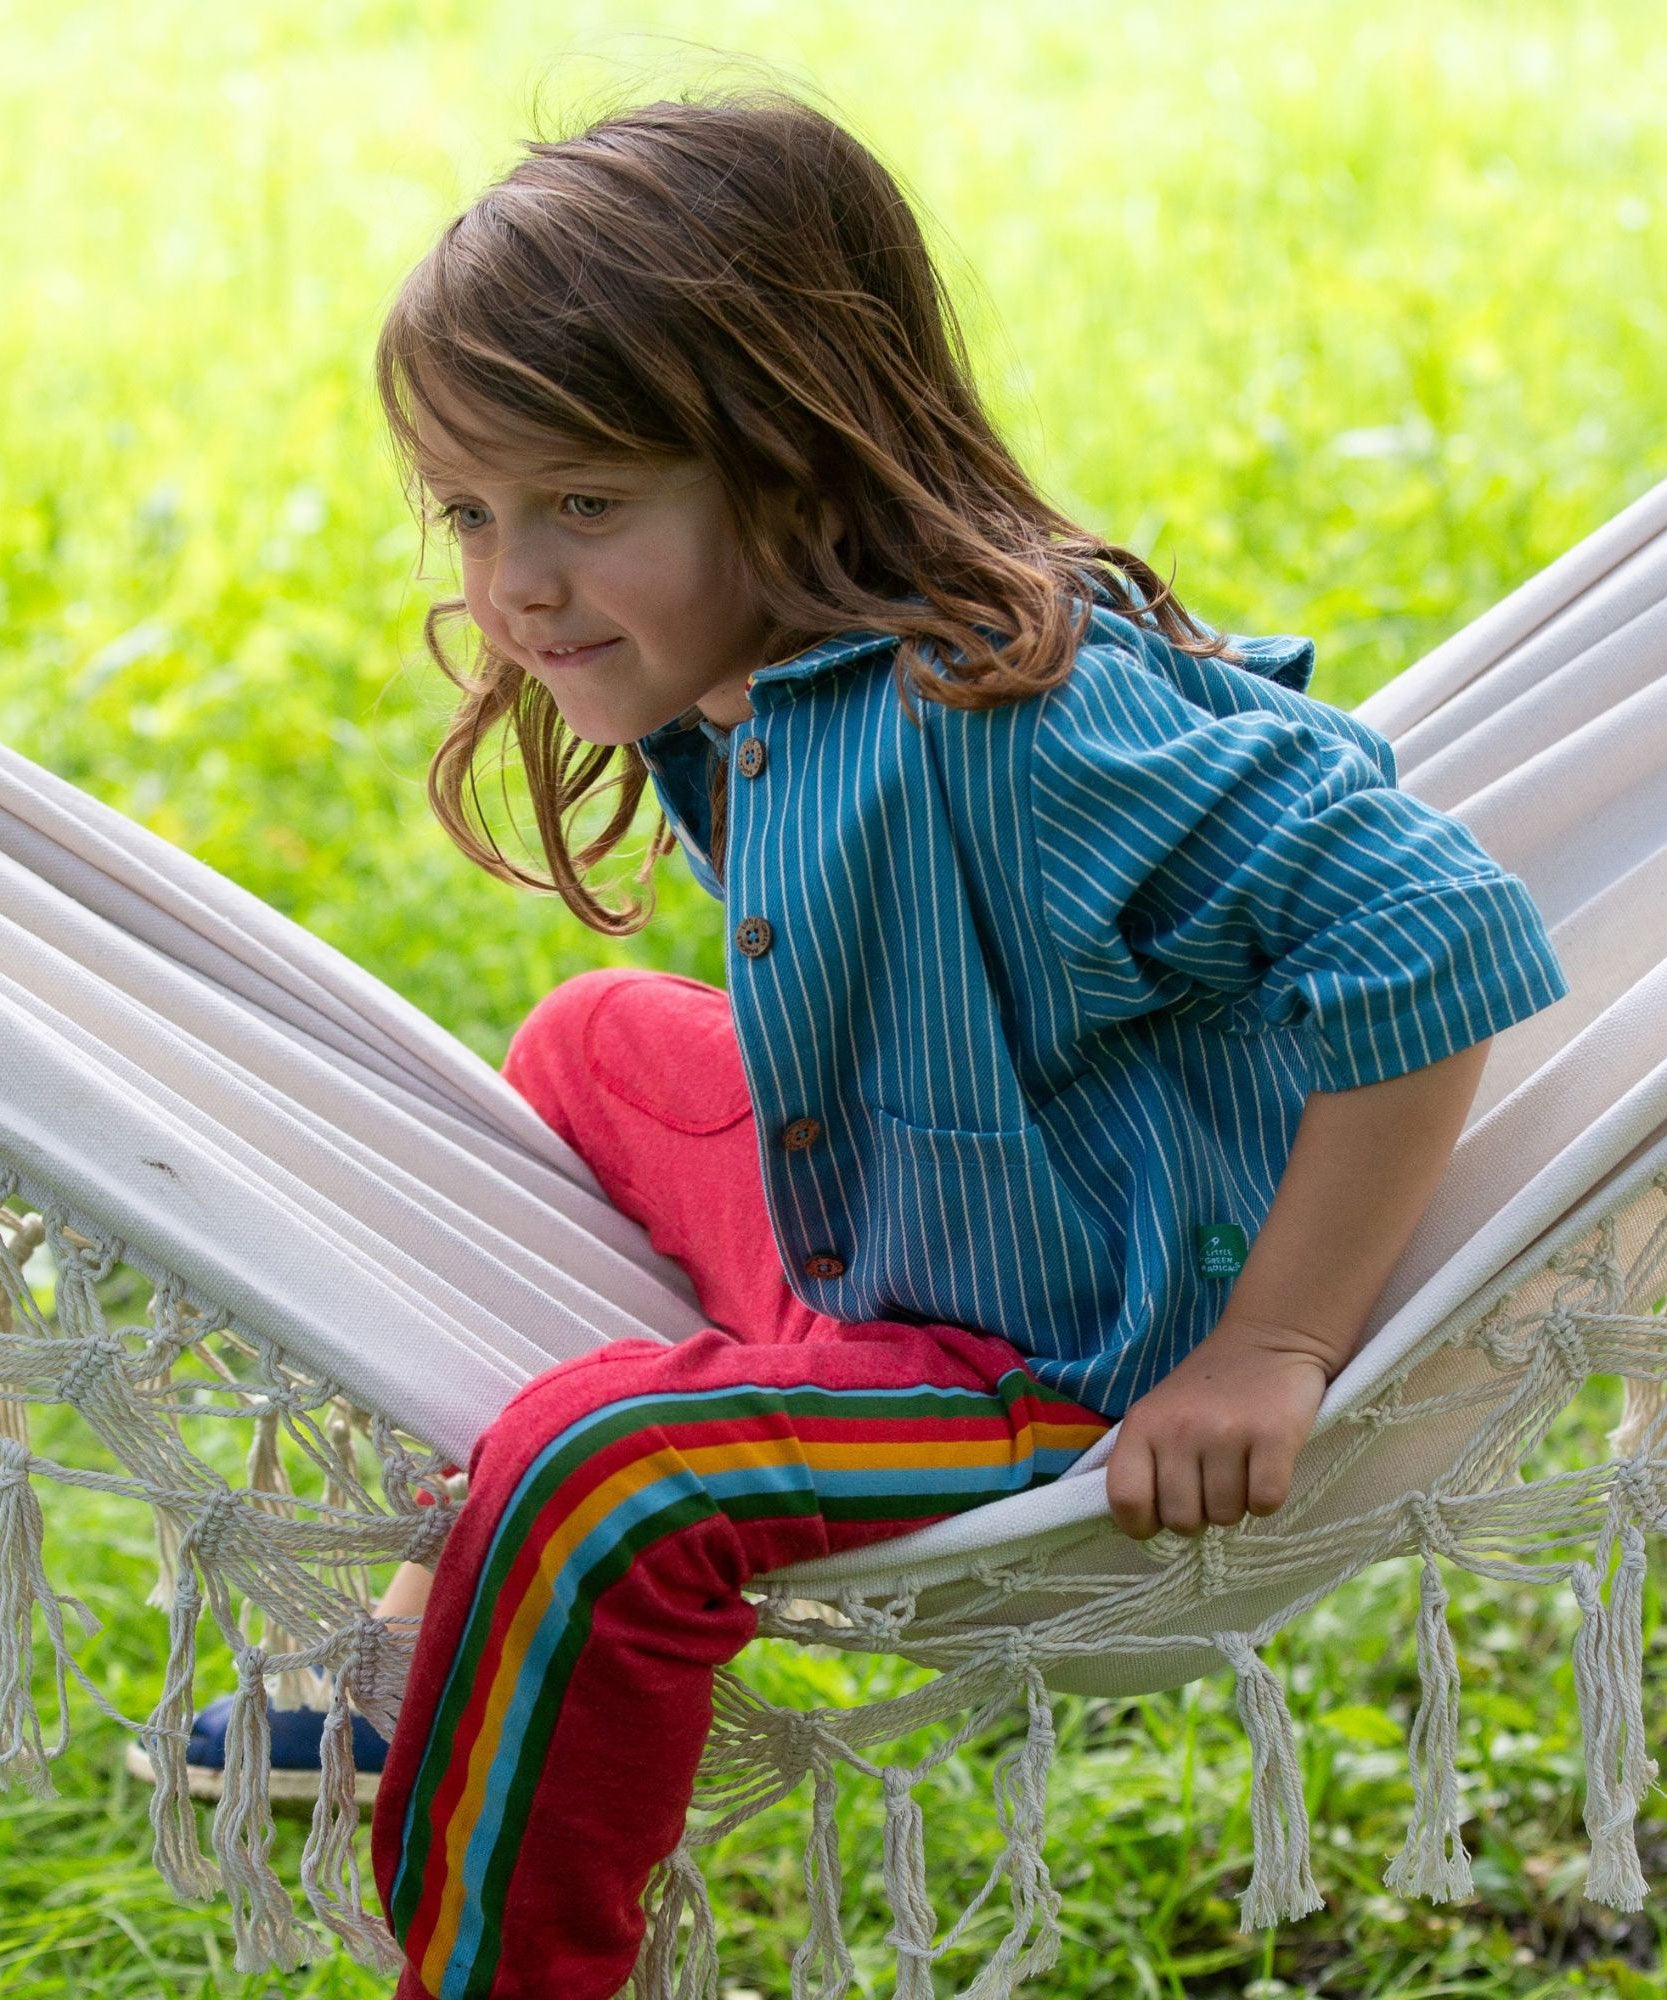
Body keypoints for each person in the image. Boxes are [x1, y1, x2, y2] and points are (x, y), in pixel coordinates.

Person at [141, 82, 1572, 1999]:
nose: (514, 586)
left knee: (612, 1468)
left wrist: (1276, 1346)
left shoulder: (1009, 721)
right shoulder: (777, 675)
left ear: (800, 458)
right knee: (590, 1045)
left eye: (583, 506)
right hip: (905, 1216)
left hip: (1074, 1348)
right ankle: (430, 1643)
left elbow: (1436, 922)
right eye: (471, 514)